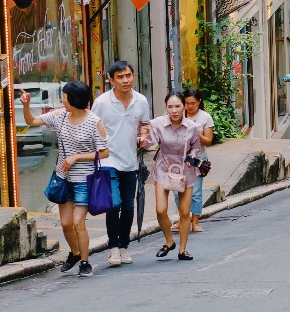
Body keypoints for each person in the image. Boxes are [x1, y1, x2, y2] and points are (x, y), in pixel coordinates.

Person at [18, 81, 108, 278]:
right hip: (63, 178)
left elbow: (104, 153)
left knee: (78, 222)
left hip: (85, 179)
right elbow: (32, 121)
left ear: (74, 99)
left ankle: (85, 262)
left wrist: (76, 157)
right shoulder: (60, 117)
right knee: (66, 224)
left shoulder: (94, 122)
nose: (62, 100)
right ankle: (75, 253)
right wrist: (26, 105)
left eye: (65, 97)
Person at [91, 60, 152, 267]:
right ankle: (113, 247)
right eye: (120, 77)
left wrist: (143, 137)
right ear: (111, 80)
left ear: (133, 76)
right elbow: (93, 127)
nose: (125, 80)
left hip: (130, 160)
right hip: (108, 159)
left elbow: (144, 124)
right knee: (114, 203)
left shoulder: (141, 101)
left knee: (127, 205)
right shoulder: (102, 102)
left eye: (128, 75)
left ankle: (124, 247)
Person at [148, 92, 206, 261]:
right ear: (166, 108)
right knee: (160, 210)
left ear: (184, 107)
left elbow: (196, 147)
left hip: (184, 170)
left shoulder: (193, 127)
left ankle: (182, 249)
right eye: (170, 107)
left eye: (178, 106)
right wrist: (141, 138)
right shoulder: (157, 124)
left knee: (184, 212)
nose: (174, 110)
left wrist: (192, 158)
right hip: (163, 167)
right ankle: (169, 241)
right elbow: (149, 142)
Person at [182, 89, 215, 232]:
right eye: (187, 103)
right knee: (179, 191)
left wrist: (195, 132)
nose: (189, 106)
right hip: (180, 159)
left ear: (199, 102)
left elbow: (208, 141)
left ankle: (195, 221)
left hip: (198, 159)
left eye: (193, 103)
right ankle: (183, 220)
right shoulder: (178, 114)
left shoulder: (205, 117)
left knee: (195, 192)